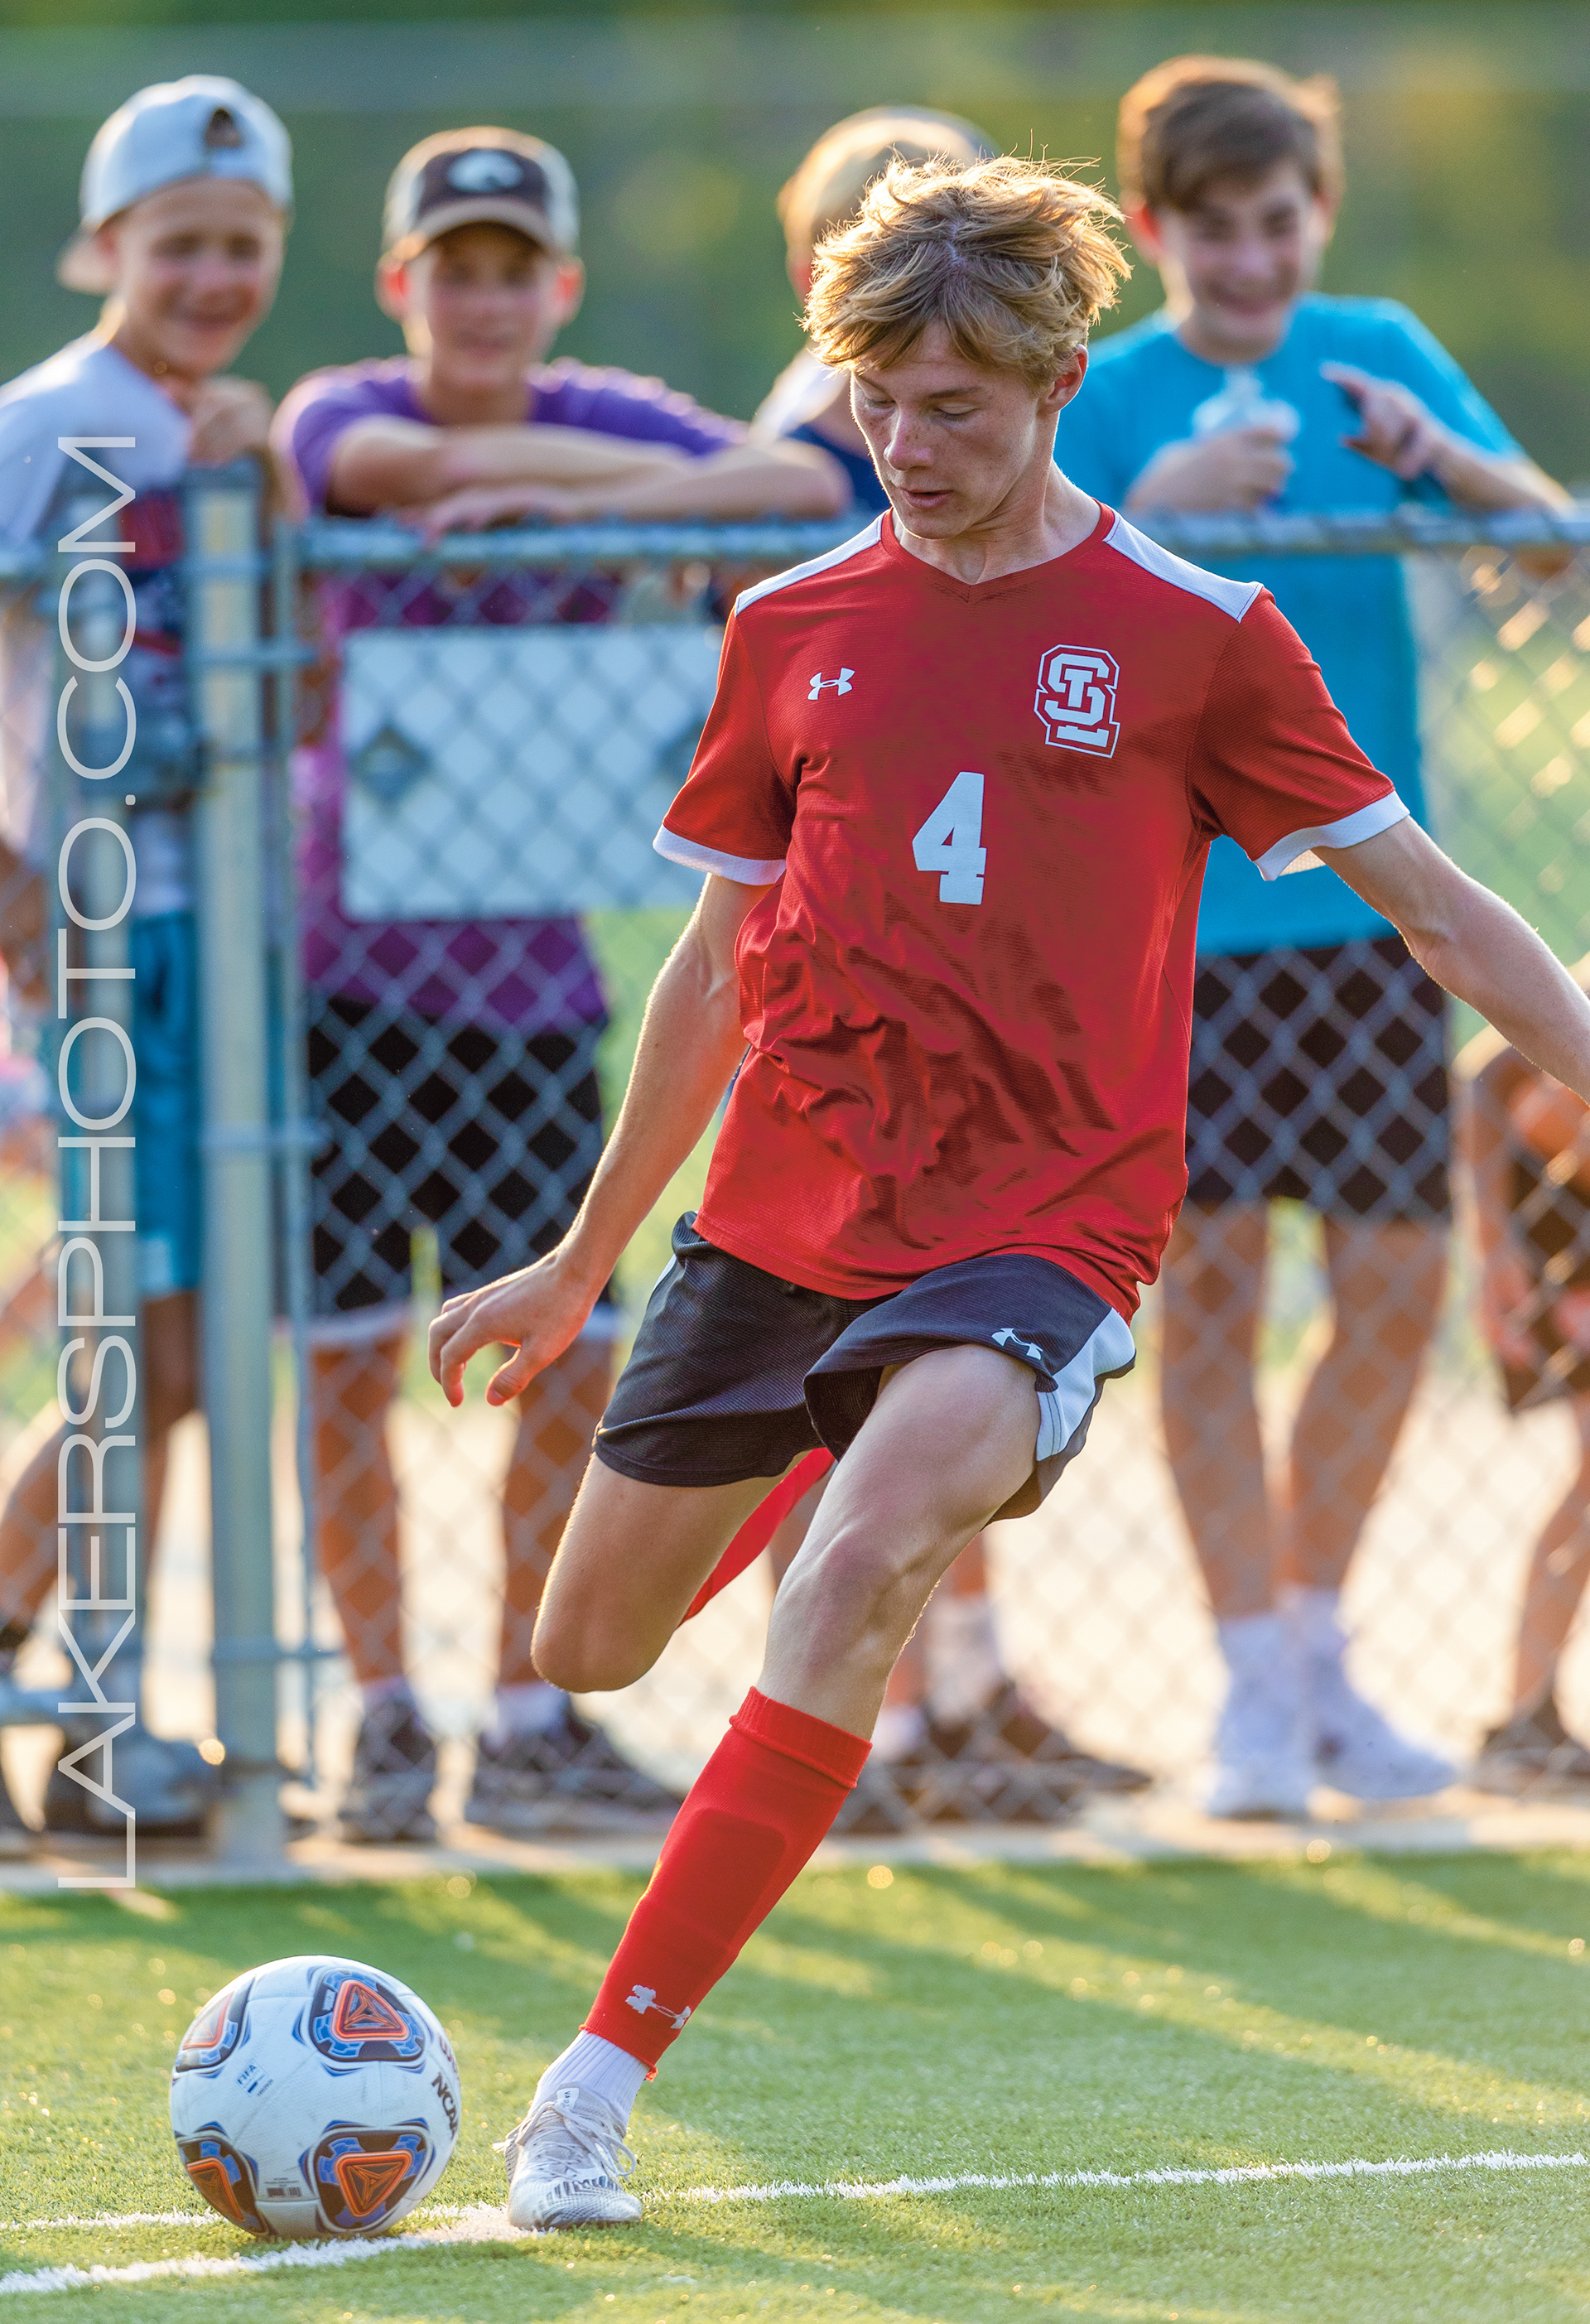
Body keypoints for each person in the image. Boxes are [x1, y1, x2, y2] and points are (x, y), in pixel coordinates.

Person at [425, 152, 1590, 2229]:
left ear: (1057, 386)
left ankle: (591, 2087)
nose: (907, 444)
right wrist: (581, 1257)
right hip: (785, 1217)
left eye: (952, 407)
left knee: (861, 1562)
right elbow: (711, 967)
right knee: (589, 1640)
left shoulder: (1197, 636)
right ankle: (828, 1423)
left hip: (1041, 1229)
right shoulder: (787, 624)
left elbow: (1434, 908)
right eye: (875, 402)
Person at [272, 127, 845, 1844]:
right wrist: (574, 477)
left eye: (514, 272)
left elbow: (793, 486)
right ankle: (385, 1710)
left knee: (566, 1358)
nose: (485, 301)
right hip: (344, 978)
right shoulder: (343, 405)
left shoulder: (602, 415)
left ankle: (529, 1721)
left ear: (562, 286)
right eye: (454, 269)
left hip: (529, 993)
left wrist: (570, 499)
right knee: (346, 1365)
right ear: (401, 282)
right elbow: (373, 463)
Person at [1058, 55, 1570, 1817]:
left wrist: (1444, 459)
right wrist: (1165, 502)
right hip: (1176, 916)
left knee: (1389, 1290)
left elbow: (1552, 543)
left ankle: (1325, 1641)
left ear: (1320, 214)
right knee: (1204, 1294)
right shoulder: (1110, 390)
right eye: (1214, 230)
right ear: (1154, 228)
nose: (1252, 261)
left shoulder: (1380, 350)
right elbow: (1026, 597)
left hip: (1369, 903)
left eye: (1278, 223)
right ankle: (1254, 1682)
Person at [751, 106, 1151, 1824]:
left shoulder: (1025, 476)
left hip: (1001, 1048)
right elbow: (775, 490)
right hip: (848, 1044)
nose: (908, 429)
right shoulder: (827, 462)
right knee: (837, 1419)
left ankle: (956, 1692)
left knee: (948, 1416)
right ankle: (870, 1715)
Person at [0, 76, 292, 1847]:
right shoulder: (52, 421)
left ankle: (100, 1721)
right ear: (107, 243)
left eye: (243, 244)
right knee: (136, 1353)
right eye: (179, 242)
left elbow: (285, 696)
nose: (212, 275)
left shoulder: (216, 428)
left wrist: (260, 477)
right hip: (102, 935)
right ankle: (65, 1691)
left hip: (202, 936)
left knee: (166, 1356)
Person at [1462, 975, 1590, 1791]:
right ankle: (1525, 1713)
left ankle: (1528, 1712)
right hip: (1556, 1223)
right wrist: (1493, 1241)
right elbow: (1488, 1077)